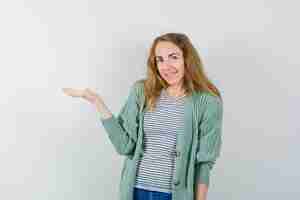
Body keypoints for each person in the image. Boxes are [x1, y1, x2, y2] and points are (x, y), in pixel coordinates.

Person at [62, 32, 223, 200]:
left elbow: (204, 162)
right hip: (135, 190)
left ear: (187, 60)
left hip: (173, 195)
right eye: (159, 60)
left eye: (173, 57)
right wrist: (97, 102)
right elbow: (125, 146)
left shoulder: (207, 101)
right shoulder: (143, 92)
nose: (166, 66)